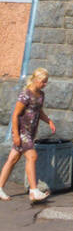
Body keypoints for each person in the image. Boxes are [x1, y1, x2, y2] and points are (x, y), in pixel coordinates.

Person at [0, 68, 55, 203]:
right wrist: (16, 135)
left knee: (12, 159)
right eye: (43, 82)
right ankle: (34, 191)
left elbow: (38, 111)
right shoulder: (25, 94)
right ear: (36, 80)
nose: (45, 84)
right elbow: (15, 114)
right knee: (32, 156)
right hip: (22, 132)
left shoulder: (41, 94)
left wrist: (49, 121)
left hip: (30, 132)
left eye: (46, 82)